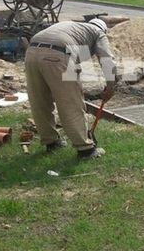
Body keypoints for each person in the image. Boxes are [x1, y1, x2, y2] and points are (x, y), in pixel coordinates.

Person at [24, 19, 117, 160]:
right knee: (71, 102)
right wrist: (111, 86)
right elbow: (107, 60)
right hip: (58, 54)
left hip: (32, 52)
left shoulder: (74, 27)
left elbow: (74, 55)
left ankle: (51, 141)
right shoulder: (98, 33)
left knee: (40, 100)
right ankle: (85, 149)